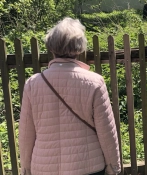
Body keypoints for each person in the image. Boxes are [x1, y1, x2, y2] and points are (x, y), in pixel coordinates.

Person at [19, 17, 121, 175]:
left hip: (44, 168)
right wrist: (113, 165)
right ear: (79, 48)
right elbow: (106, 130)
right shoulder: (94, 82)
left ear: (51, 47)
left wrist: (26, 167)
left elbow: (26, 132)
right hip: (87, 167)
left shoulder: (32, 84)